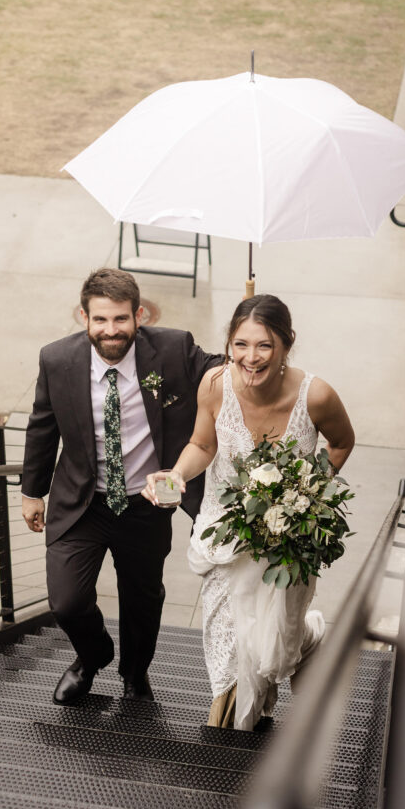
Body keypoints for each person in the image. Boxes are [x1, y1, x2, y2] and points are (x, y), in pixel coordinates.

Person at [142, 294, 355, 730]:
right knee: (232, 648)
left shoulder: (316, 395)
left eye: (264, 346)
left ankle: (309, 637)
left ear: (286, 345)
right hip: (226, 535)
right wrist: (178, 474)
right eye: (240, 344)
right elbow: (203, 445)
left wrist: (309, 492)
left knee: (274, 649)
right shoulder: (215, 384)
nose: (250, 357)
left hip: (286, 542)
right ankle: (231, 726)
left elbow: (341, 442)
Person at [21, 268, 221, 705]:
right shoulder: (57, 360)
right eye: (100, 320)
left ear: (139, 315)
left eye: (121, 319)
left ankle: (135, 674)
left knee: (142, 600)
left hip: (148, 504)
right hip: (82, 502)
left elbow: (223, 372)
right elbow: (42, 426)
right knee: (67, 601)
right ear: (83, 317)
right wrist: (31, 491)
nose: (111, 331)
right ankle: (92, 657)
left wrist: (255, 349)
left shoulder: (173, 349)